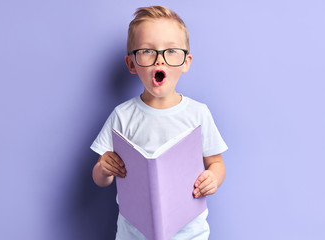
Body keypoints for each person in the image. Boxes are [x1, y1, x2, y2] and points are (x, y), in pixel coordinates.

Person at [91, 5, 228, 240]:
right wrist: (104, 168)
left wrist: (213, 178)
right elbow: (99, 177)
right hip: (133, 234)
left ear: (186, 61)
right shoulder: (122, 116)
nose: (159, 61)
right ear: (132, 64)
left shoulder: (198, 114)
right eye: (147, 51)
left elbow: (216, 163)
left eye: (171, 51)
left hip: (189, 234)